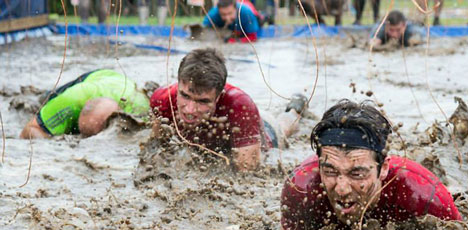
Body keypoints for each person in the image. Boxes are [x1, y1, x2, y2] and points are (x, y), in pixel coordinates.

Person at [280, 100, 462, 230]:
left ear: (383, 168)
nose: (342, 189)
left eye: (357, 174)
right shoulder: (301, 188)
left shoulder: (424, 195)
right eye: (330, 172)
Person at [150, 48, 305, 172]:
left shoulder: (239, 106)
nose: (190, 110)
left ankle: (295, 109)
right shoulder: (162, 99)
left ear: (218, 97)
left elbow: (248, 173)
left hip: (262, 133)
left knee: (283, 127)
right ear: (178, 86)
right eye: (185, 96)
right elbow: (156, 147)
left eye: (203, 101)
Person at [20, 70, 150, 139]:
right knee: (42, 101)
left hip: (117, 82)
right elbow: (29, 130)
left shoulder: (138, 109)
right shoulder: (70, 100)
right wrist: (52, 146)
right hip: (93, 80)